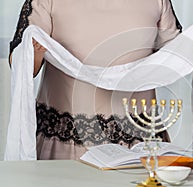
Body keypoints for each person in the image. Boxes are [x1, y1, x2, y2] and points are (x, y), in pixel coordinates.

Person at [9, 0, 182, 160]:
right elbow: (22, 66)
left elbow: (178, 56)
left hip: (142, 145)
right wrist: (33, 53)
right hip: (65, 145)